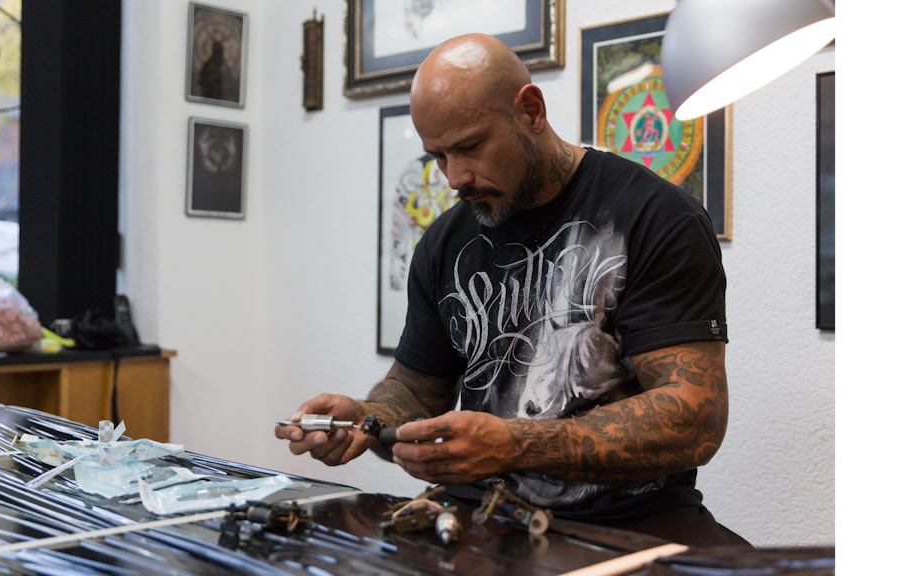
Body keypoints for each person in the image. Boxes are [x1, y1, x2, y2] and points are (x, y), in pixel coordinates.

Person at [274, 34, 747, 547]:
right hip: (477, 518)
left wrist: (514, 445)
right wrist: (368, 421)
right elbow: (414, 390)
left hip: (625, 522)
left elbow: (694, 417)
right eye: (438, 157)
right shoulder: (446, 241)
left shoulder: (655, 218)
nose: (455, 177)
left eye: (471, 147)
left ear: (532, 110)